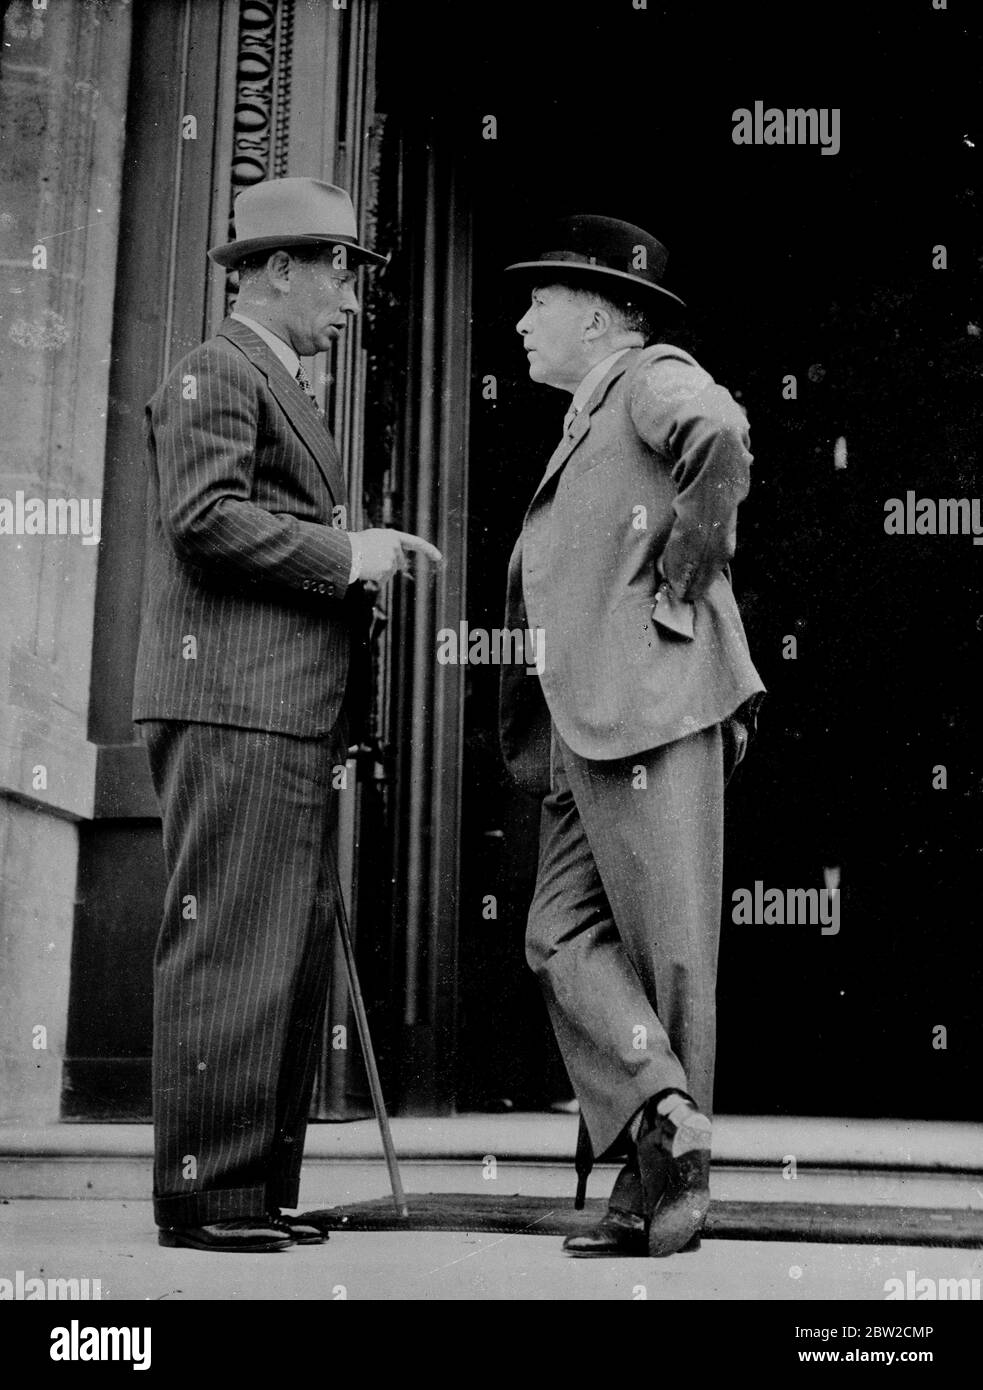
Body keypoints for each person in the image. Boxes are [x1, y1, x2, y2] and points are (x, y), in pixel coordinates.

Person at [132, 177, 440, 1253]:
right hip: (232, 704)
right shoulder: (214, 370)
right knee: (232, 946)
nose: (352, 296)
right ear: (272, 271)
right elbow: (204, 520)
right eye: (338, 268)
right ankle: (206, 1195)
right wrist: (350, 553)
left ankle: (252, 1186)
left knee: (283, 950)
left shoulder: (271, 380)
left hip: (277, 709)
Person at [499, 215, 764, 1257]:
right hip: (586, 725)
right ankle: (659, 1112)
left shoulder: (649, 374)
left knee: (664, 957)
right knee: (557, 935)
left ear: (601, 314)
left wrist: (678, 593)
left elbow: (724, 439)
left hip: (651, 705)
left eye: (539, 302)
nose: (520, 323)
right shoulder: (583, 416)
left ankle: (660, 1188)